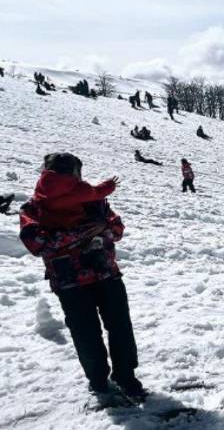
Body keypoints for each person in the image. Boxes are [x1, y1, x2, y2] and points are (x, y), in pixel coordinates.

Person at [18, 154, 145, 398]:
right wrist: (82, 233)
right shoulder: (34, 208)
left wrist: (104, 228)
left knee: (120, 328)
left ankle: (126, 376)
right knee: (86, 334)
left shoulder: (92, 199)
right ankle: (98, 382)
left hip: (105, 274)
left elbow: (117, 228)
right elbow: (35, 243)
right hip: (71, 283)